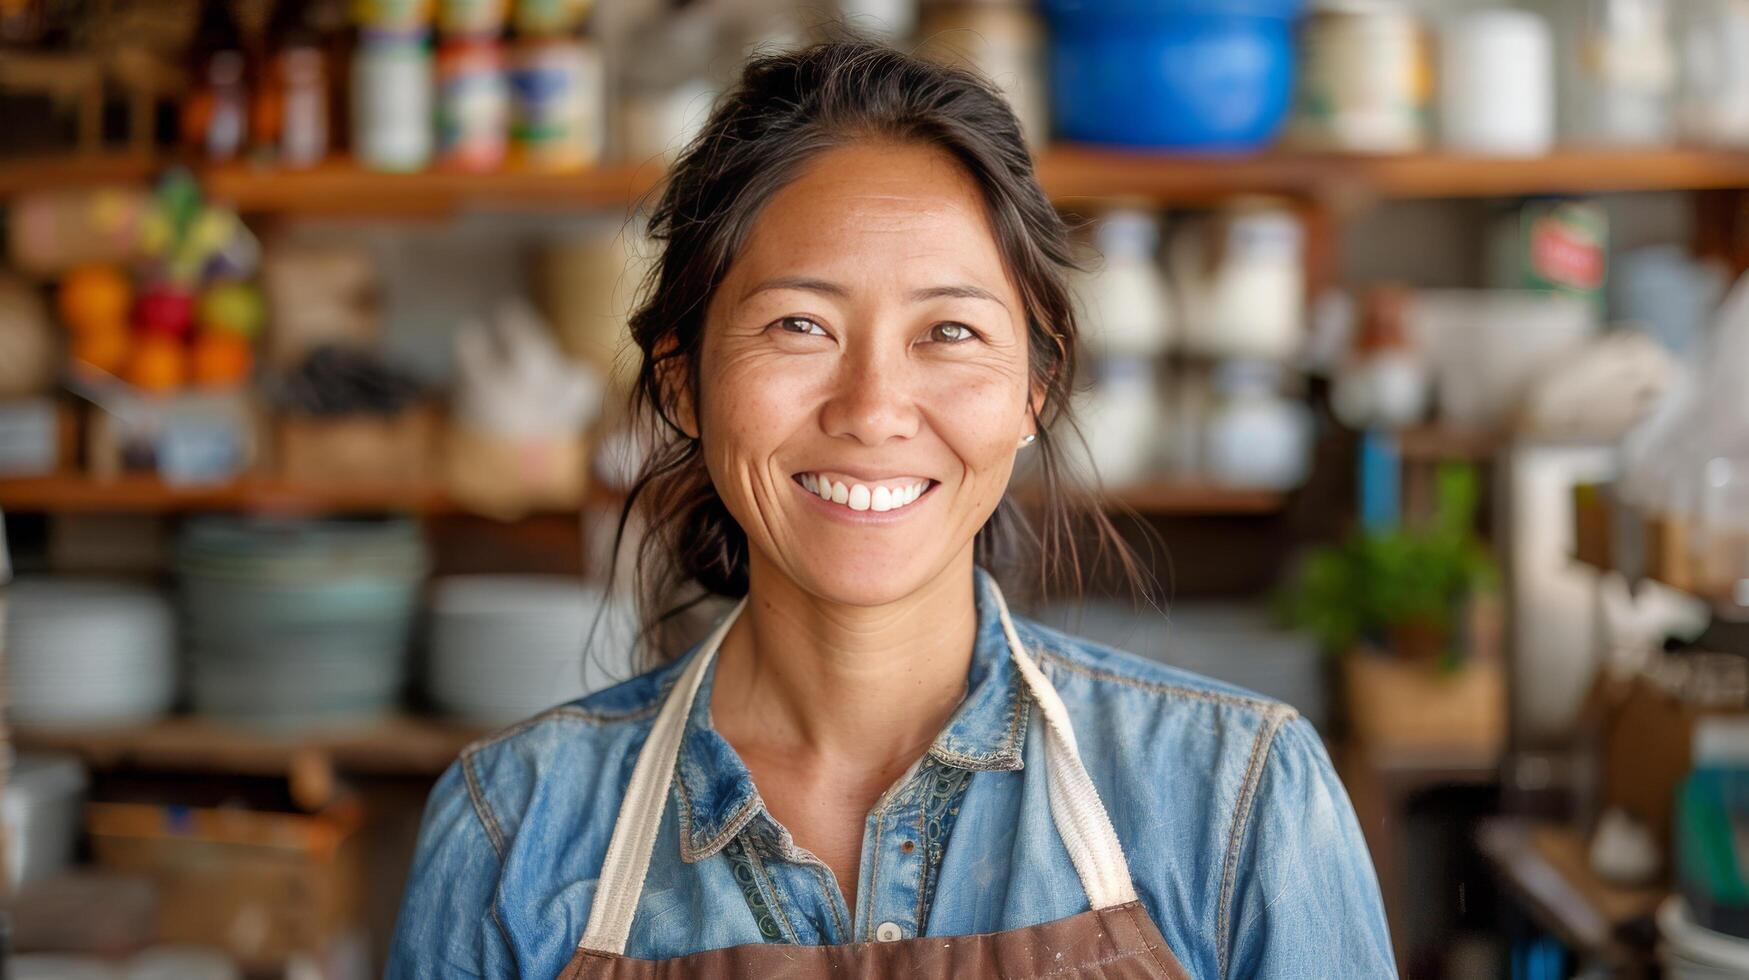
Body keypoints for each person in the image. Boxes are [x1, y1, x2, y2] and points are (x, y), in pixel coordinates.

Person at [388, 38, 1395, 979]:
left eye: (949, 330)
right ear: (684, 380)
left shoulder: (1238, 800)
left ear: (1033, 387)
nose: (872, 409)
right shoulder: (512, 827)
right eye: (798, 324)